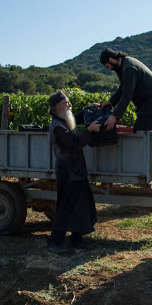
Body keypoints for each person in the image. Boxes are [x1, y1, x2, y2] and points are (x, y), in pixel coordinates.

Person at [47, 91, 101, 254]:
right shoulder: (57, 127)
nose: (69, 105)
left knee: (81, 206)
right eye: (66, 103)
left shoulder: (63, 120)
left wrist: (87, 109)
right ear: (58, 107)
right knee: (66, 207)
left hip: (76, 171)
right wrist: (89, 131)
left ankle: (76, 240)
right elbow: (73, 143)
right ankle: (55, 241)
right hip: (68, 172)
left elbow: (74, 117)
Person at [99, 48, 152, 133]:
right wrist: (111, 102)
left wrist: (114, 116)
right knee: (143, 133)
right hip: (150, 102)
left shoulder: (129, 68)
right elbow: (123, 88)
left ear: (111, 60)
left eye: (108, 66)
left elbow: (127, 95)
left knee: (142, 133)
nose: (109, 69)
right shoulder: (123, 65)